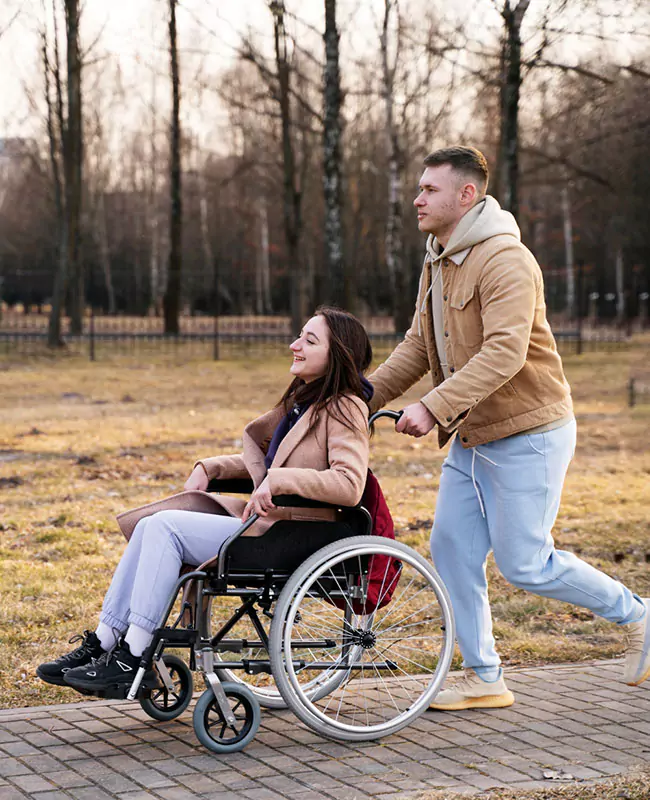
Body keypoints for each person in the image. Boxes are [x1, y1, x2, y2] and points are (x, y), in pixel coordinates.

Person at [367, 145, 650, 711]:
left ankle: (642, 615)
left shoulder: (505, 259)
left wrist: (433, 407)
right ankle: (484, 675)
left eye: (430, 189)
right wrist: (357, 396)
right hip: (476, 438)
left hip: (530, 432)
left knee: (526, 564)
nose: (417, 198)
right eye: (419, 188)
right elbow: (420, 345)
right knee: (450, 549)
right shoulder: (438, 258)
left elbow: (505, 353)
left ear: (466, 194)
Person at [37, 306, 372, 693]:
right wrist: (211, 468)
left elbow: (348, 484)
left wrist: (279, 480)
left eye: (309, 340)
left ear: (338, 355)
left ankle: (134, 657)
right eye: (300, 335)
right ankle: (106, 641)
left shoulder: (345, 405)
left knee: (164, 528)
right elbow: (271, 463)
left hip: (294, 535)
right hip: (269, 526)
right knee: (151, 525)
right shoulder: (305, 402)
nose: (294, 345)